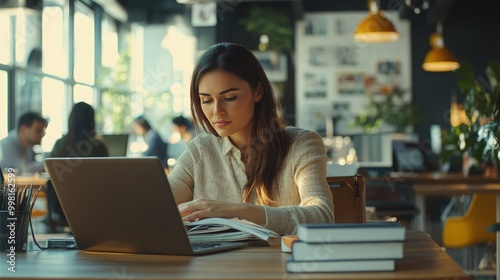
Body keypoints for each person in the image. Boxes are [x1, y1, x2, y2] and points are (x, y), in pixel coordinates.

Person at [167, 42, 334, 235]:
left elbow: (321, 217)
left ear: (258, 92)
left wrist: (237, 210)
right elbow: (157, 206)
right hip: (213, 264)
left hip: (280, 264)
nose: (216, 111)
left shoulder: (302, 144)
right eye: (206, 100)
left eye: (229, 98)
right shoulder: (201, 150)